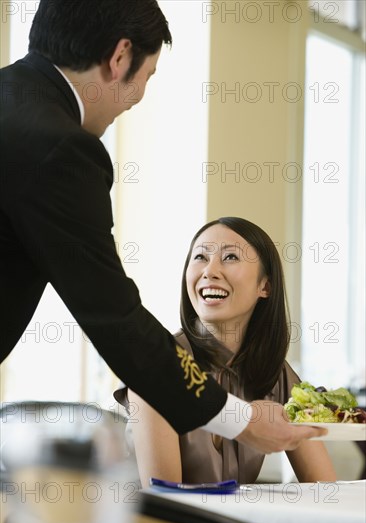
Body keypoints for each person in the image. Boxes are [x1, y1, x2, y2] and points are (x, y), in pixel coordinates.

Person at [0, 0, 325, 451]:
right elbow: (115, 316)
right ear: (120, 58)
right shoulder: (59, 147)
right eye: (147, 76)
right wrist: (240, 420)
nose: (138, 98)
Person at [115, 217, 337, 486]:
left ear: (264, 286)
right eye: (200, 257)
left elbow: (323, 488)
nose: (210, 271)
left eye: (230, 257)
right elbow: (168, 500)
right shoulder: (159, 365)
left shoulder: (277, 375)